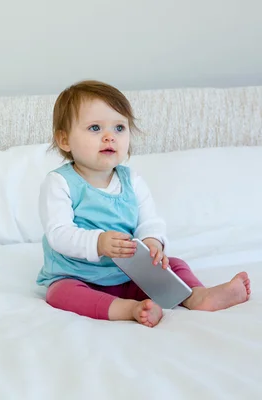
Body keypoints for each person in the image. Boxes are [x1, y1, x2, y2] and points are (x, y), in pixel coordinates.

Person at [36, 80, 251, 327]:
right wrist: (99, 242)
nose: (109, 137)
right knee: (59, 294)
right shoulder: (60, 183)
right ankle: (129, 309)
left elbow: (149, 221)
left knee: (175, 265)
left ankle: (197, 296)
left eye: (119, 128)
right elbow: (59, 234)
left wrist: (151, 242)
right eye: (95, 128)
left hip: (128, 272)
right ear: (64, 140)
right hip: (78, 275)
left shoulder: (132, 181)